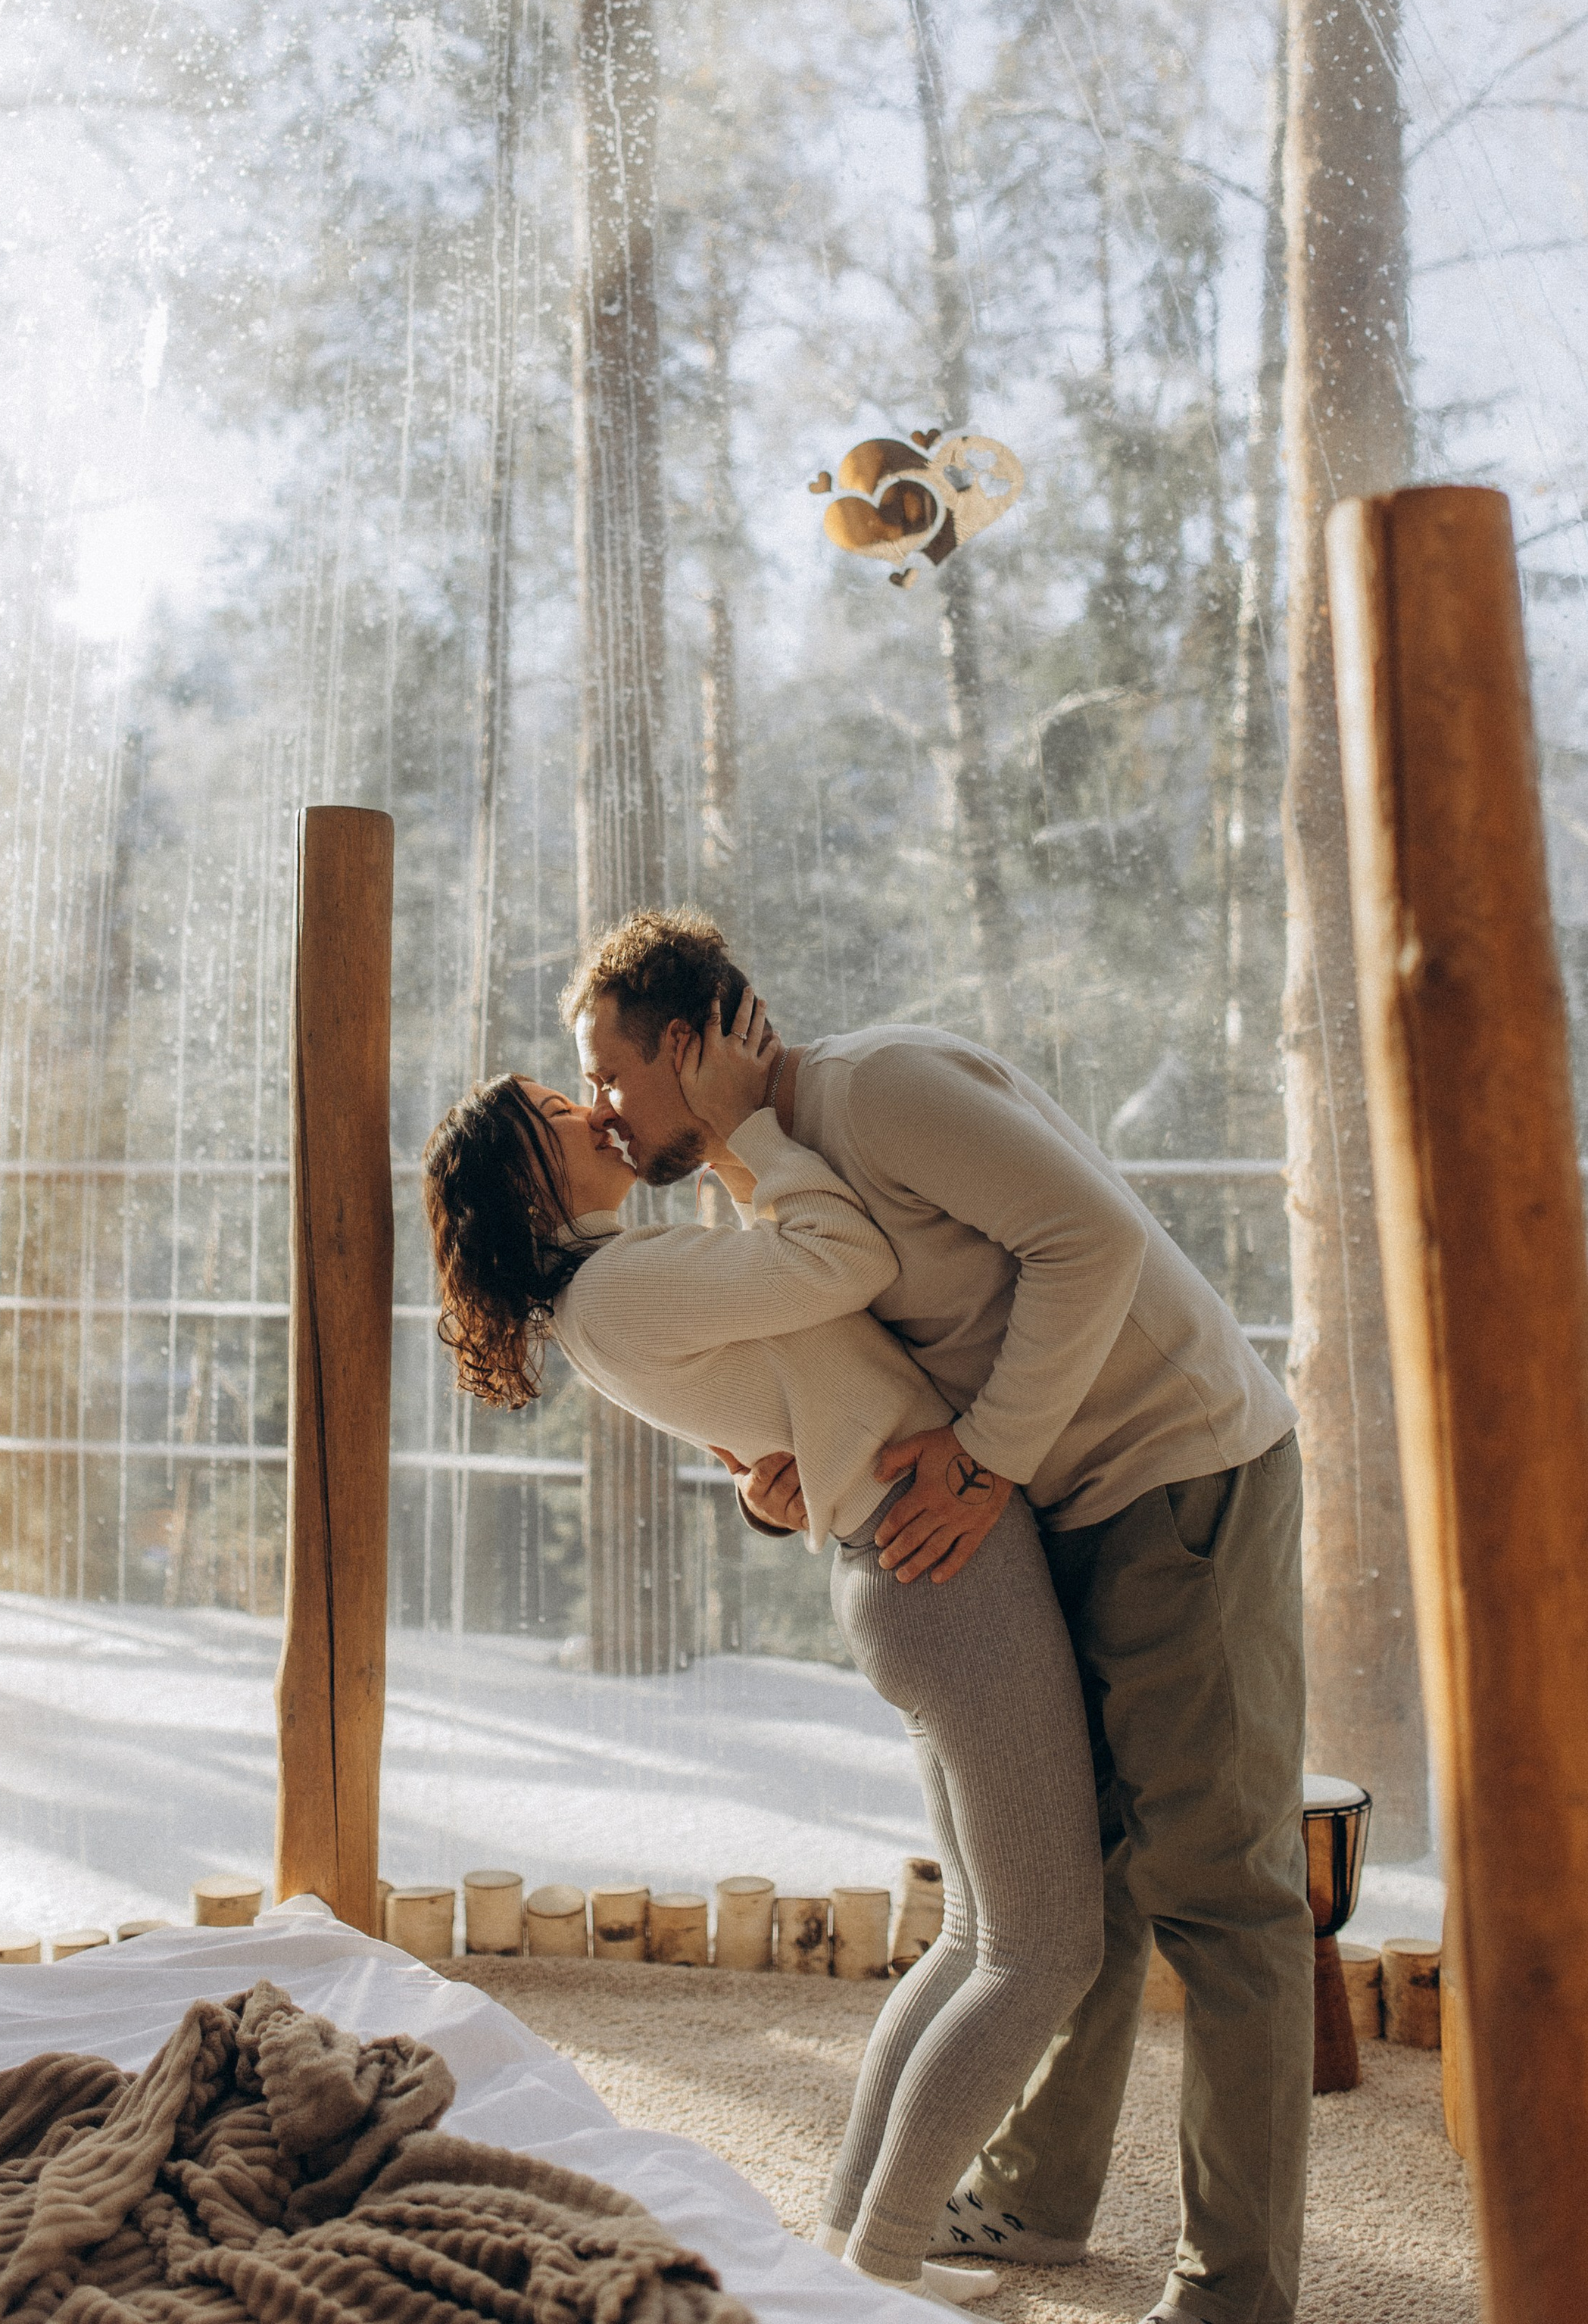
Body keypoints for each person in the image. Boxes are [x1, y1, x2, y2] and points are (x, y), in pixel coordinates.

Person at [563, 909, 1309, 2324]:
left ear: (683, 1043)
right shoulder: (763, 1180)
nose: (601, 1110)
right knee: (1065, 1886)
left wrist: (982, 1462)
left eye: (607, 1074)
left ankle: (1237, 2292)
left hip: (1178, 1472)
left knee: (1222, 1895)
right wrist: (781, 1490)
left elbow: (1090, 1243)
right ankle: (1036, 2192)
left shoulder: (882, 1089)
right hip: (1043, 1510)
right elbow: (841, 1382)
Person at [422, 989, 1103, 2311]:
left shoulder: (611, 1290)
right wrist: (747, 1133)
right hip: (939, 1564)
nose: (598, 1109)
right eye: (567, 1111)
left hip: (907, 1566)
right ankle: (883, 2279)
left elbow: (778, 1390)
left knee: (978, 1936)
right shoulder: (618, 1287)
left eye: (590, 1088)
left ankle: (854, 2251)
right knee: (1041, 1951)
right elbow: (844, 1260)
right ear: (529, 1178)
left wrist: (766, 1468)